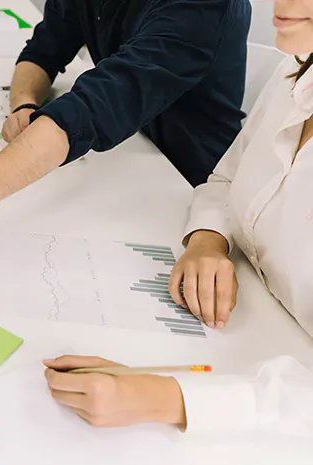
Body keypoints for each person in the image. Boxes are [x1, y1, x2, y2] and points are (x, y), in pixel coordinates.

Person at [43, 0, 313, 437]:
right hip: (247, 328)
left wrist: (165, 399)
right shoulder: (296, 74)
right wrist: (208, 238)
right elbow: (227, 177)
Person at [0, 0, 250, 273]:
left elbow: (92, 108)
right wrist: (23, 105)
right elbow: (43, 50)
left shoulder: (202, 7)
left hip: (195, 193)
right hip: (128, 161)